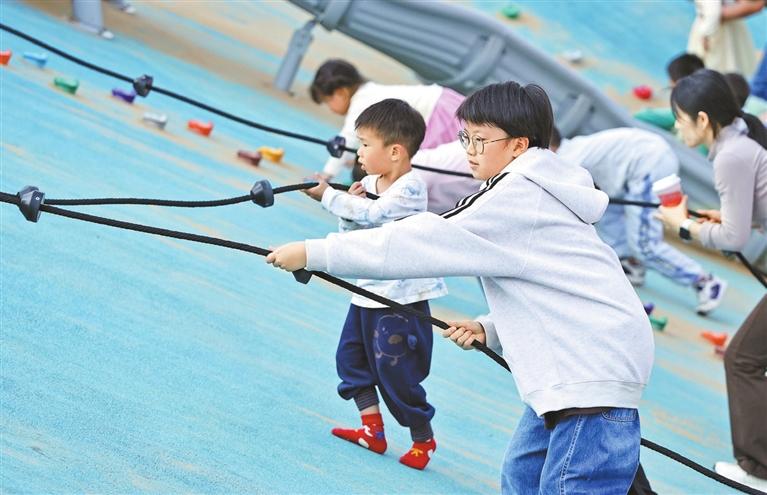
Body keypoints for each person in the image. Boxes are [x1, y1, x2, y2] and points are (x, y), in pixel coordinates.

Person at [268, 81, 654, 493]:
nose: (469, 149)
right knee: (520, 478)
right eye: (465, 137)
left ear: (518, 145)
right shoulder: (538, 190)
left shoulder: (518, 194)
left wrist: (316, 252)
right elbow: (560, 283)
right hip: (582, 365)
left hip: (590, 370)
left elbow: (424, 240)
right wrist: (492, 328)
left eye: (480, 140)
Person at [299, 98, 448, 470]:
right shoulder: (368, 184)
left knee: (396, 371)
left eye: (365, 144)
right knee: (350, 359)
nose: (359, 152)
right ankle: (372, 429)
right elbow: (356, 231)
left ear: (395, 151)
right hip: (367, 292)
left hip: (401, 299)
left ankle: (422, 437)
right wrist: (347, 208)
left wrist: (329, 196)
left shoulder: (410, 188)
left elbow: (376, 213)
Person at [658, 68, 767, 491]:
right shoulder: (741, 138)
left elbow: (735, 240)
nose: (677, 127)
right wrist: (723, 217)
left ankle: (759, 469)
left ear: (702, 119)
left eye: (679, 118)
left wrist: (683, 226)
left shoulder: (730, 155)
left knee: (743, 358)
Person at [552, 126, 727, 315]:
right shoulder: (572, 150)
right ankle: (631, 264)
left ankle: (705, 281)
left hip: (647, 164)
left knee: (645, 245)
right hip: (639, 165)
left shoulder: (569, 161)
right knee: (605, 211)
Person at [309, 59, 478, 212]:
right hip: (443, 101)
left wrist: (327, 174)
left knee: (441, 161)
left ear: (341, 93)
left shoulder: (360, 102)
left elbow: (345, 141)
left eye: (327, 101)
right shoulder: (370, 90)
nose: (330, 108)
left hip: (438, 114)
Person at [687, 0, 761, 76]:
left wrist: (706, 34)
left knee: (716, 66)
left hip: (716, 29)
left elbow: (713, 12)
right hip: (728, 25)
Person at [634, 53, 704, 131]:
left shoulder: (682, 113)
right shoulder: (700, 101)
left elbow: (640, 117)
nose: (669, 83)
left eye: (671, 86)